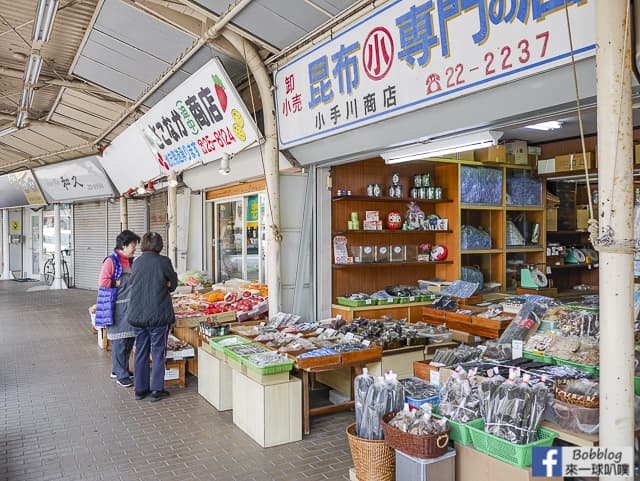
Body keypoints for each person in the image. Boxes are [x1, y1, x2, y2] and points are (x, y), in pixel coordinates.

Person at [126, 232, 178, 402]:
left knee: (140, 351)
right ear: (160, 245)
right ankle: (157, 390)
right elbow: (173, 283)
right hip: (158, 315)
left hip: (138, 315)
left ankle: (140, 390)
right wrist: (166, 285)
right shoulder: (164, 262)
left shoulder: (137, 262)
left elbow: (134, 283)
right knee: (158, 352)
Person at [98, 230, 141, 388]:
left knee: (129, 340)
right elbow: (103, 282)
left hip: (130, 307)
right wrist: (119, 283)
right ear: (123, 245)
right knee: (119, 341)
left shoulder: (130, 261)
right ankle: (121, 375)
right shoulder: (111, 261)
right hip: (117, 307)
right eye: (133, 245)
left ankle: (118, 369)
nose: (135, 248)